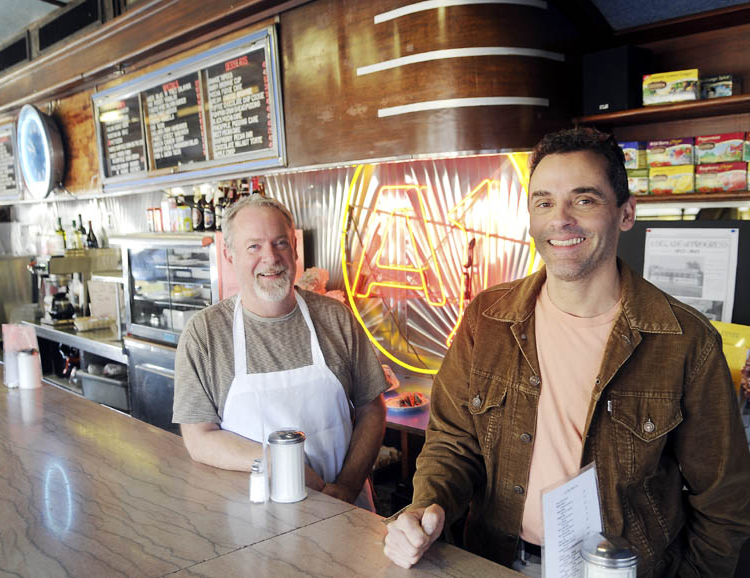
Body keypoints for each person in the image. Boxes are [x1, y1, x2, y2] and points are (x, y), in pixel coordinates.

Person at [383, 127, 750, 576]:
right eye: (544, 202)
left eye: (584, 200)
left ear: (626, 213)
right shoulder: (487, 319)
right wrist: (428, 507)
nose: (560, 219)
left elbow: (724, 502)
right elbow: (453, 442)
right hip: (497, 559)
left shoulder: (685, 340)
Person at [173, 195, 388, 509]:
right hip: (250, 518)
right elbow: (199, 438)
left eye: (280, 243)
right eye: (253, 246)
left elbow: (373, 409)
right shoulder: (205, 334)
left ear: (295, 249)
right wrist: (278, 462)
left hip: (345, 511)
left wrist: (345, 488)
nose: (270, 258)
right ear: (229, 255)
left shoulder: (336, 317)